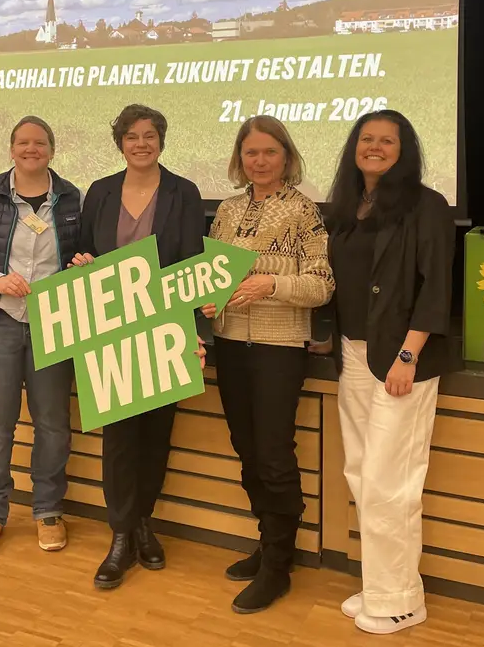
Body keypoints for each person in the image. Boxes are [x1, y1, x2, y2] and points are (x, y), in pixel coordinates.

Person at [323, 110, 456, 636]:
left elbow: (434, 287)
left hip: (402, 361)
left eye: (387, 141)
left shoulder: (427, 205)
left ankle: (402, 600)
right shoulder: (348, 206)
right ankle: (381, 586)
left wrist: (409, 355)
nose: (375, 147)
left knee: (391, 483)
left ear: (405, 150)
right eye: (366, 139)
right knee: (361, 474)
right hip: (355, 355)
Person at [201, 115, 334, 613]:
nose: (259, 161)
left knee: (275, 455)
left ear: (286, 157)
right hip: (230, 343)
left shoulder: (304, 212)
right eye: (251, 153)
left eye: (269, 153)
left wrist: (270, 285)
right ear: (240, 159)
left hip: (280, 347)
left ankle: (279, 565)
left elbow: (322, 285)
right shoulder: (227, 210)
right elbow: (212, 275)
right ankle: (268, 541)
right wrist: (207, 301)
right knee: (246, 448)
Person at [71, 104, 206, 589]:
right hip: (110, 331)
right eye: (132, 136)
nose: (141, 143)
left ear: (161, 141)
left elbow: (191, 262)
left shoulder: (184, 193)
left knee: (155, 434)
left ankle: (144, 520)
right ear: (120, 143)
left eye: (149, 135)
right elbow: (82, 251)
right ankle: (122, 536)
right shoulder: (101, 192)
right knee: (119, 439)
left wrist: (192, 334)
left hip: (164, 328)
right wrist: (82, 262)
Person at [0, 116, 82, 558]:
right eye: (23, 143)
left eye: (40, 142)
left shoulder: (70, 198)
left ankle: (48, 510)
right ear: (12, 149)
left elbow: (81, 252)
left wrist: (85, 262)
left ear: (51, 149)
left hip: (53, 324)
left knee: (52, 424)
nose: (32, 149)